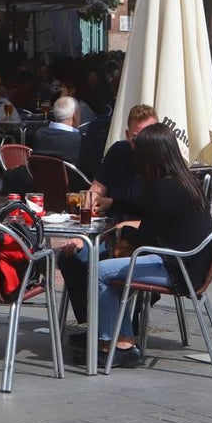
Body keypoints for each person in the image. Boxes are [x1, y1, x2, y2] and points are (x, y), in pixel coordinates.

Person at [91, 123, 212, 367]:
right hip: (191, 263)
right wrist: (115, 204)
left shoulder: (165, 188)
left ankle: (115, 341)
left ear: (150, 156)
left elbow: (145, 236)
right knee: (111, 268)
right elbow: (150, 212)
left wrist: (119, 229)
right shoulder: (183, 180)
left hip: (177, 268)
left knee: (100, 271)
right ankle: (123, 338)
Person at [58, 103, 158, 329]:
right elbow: (95, 190)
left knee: (109, 263)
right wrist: (83, 233)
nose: (141, 145)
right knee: (71, 256)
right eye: (135, 138)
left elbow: (158, 220)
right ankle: (96, 324)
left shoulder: (162, 162)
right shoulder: (119, 152)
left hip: (143, 240)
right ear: (126, 135)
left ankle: (115, 331)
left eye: (147, 137)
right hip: (109, 232)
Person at [32, 96, 83, 167]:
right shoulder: (80, 140)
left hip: (42, 177)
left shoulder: (40, 134)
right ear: (75, 115)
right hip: (70, 178)